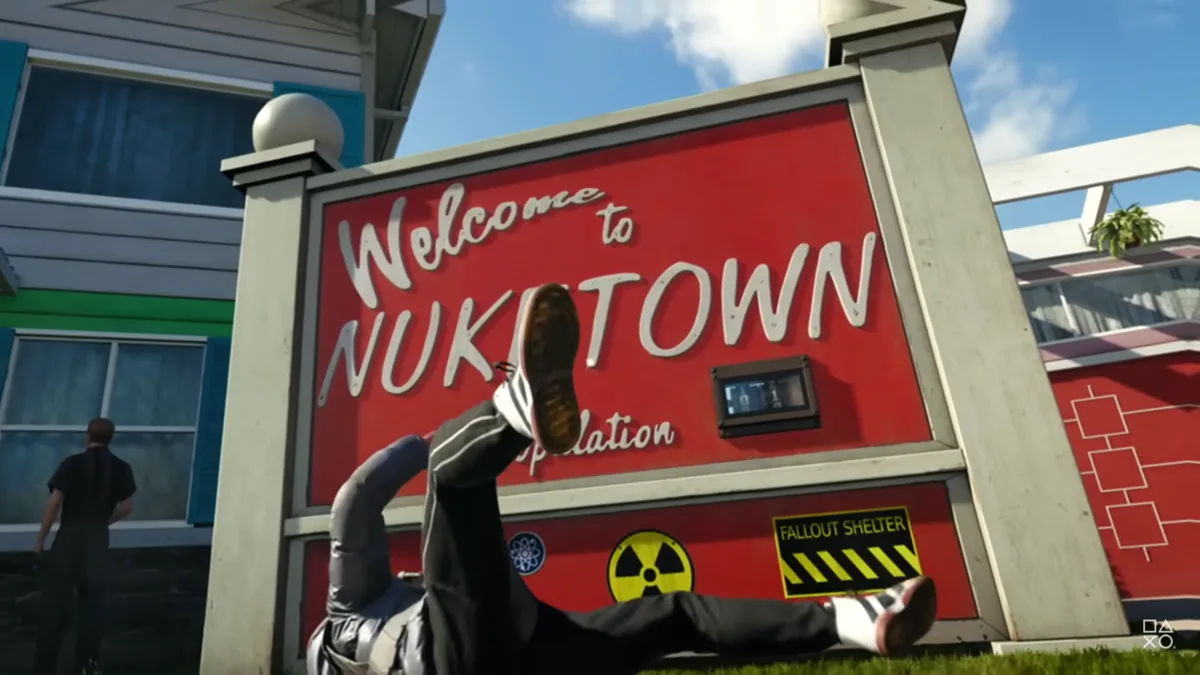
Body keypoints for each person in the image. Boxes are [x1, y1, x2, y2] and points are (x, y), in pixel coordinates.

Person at [307, 284, 938, 675]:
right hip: (463, 655)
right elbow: (355, 501)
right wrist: (421, 446)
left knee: (674, 614)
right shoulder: (349, 610)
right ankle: (511, 410)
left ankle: (853, 620)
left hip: (534, 647)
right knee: (452, 471)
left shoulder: (361, 629)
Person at [33, 417, 137, 675]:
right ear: (111, 438)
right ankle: (86, 667)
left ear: (87, 435)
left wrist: (41, 539)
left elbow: (55, 503)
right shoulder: (121, 467)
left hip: (69, 537)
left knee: (55, 606)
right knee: (92, 608)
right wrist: (104, 522)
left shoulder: (72, 463)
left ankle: (44, 668)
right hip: (97, 539)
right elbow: (127, 507)